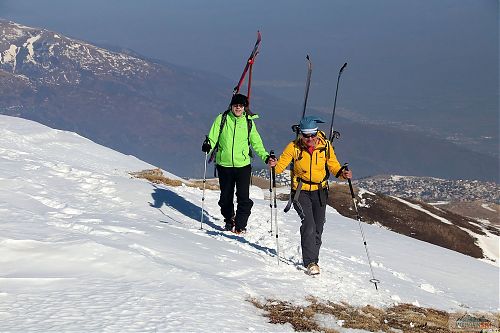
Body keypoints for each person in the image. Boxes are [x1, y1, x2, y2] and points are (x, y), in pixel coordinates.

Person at [268, 115, 352, 275]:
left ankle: (314, 260)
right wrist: (273, 164)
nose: (310, 138)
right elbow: (279, 168)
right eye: (306, 135)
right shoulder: (293, 147)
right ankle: (310, 262)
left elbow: (334, 166)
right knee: (309, 224)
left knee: (318, 227)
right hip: (301, 192)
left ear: (317, 133)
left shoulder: (326, 146)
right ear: (301, 134)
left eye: (312, 135)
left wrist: (343, 174)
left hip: (321, 191)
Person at [202, 93, 271, 234]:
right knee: (225, 197)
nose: (238, 108)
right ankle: (229, 219)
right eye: (236, 105)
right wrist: (208, 146)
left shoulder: (248, 122)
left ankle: (240, 225)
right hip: (224, 165)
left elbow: (256, 142)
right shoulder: (222, 119)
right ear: (231, 106)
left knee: (243, 197)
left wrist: (265, 157)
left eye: (241, 105)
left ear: (244, 107)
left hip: (243, 166)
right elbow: (213, 137)